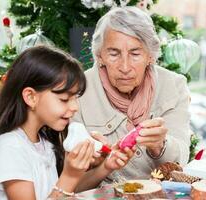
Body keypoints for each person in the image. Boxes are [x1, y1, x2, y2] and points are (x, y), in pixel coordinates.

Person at [0, 46, 135, 200]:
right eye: (64, 99)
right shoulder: (9, 148)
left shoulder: (43, 143)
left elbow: (64, 191)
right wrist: (69, 175)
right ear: (31, 97)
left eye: (75, 98)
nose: (74, 107)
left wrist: (105, 166)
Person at [73, 6, 191, 182]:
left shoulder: (173, 85)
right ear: (99, 56)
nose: (125, 67)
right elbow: (70, 176)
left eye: (135, 54)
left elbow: (181, 157)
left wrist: (160, 145)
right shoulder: (78, 90)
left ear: (150, 56)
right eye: (114, 54)